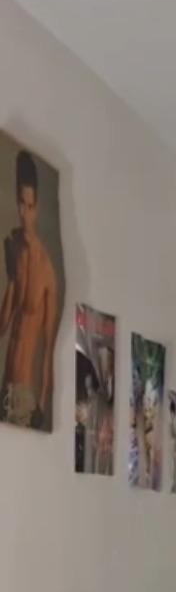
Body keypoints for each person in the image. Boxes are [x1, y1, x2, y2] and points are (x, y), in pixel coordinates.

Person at [0, 150, 60, 431]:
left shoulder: (48, 272)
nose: (24, 214)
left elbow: (48, 350)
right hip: (5, 384)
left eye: (30, 206)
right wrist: (11, 278)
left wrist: (42, 407)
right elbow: (3, 326)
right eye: (21, 205)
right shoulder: (15, 251)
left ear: (37, 208)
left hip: (25, 397)